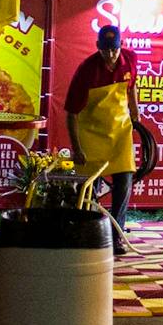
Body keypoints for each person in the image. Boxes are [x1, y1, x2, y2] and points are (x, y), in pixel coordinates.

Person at [66, 23, 141, 253]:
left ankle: (116, 234)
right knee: (89, 189)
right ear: (98, 46)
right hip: (92, 135)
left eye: (114, 49)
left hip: (120, 133)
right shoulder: (86, 71)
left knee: (124, 181)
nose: (110, 55)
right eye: (106, 50)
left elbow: (131, 89)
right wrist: (77, 148)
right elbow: (71, 113)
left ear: (121, 46)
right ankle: (89, 233)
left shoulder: (130, 60)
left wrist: (136, 117)